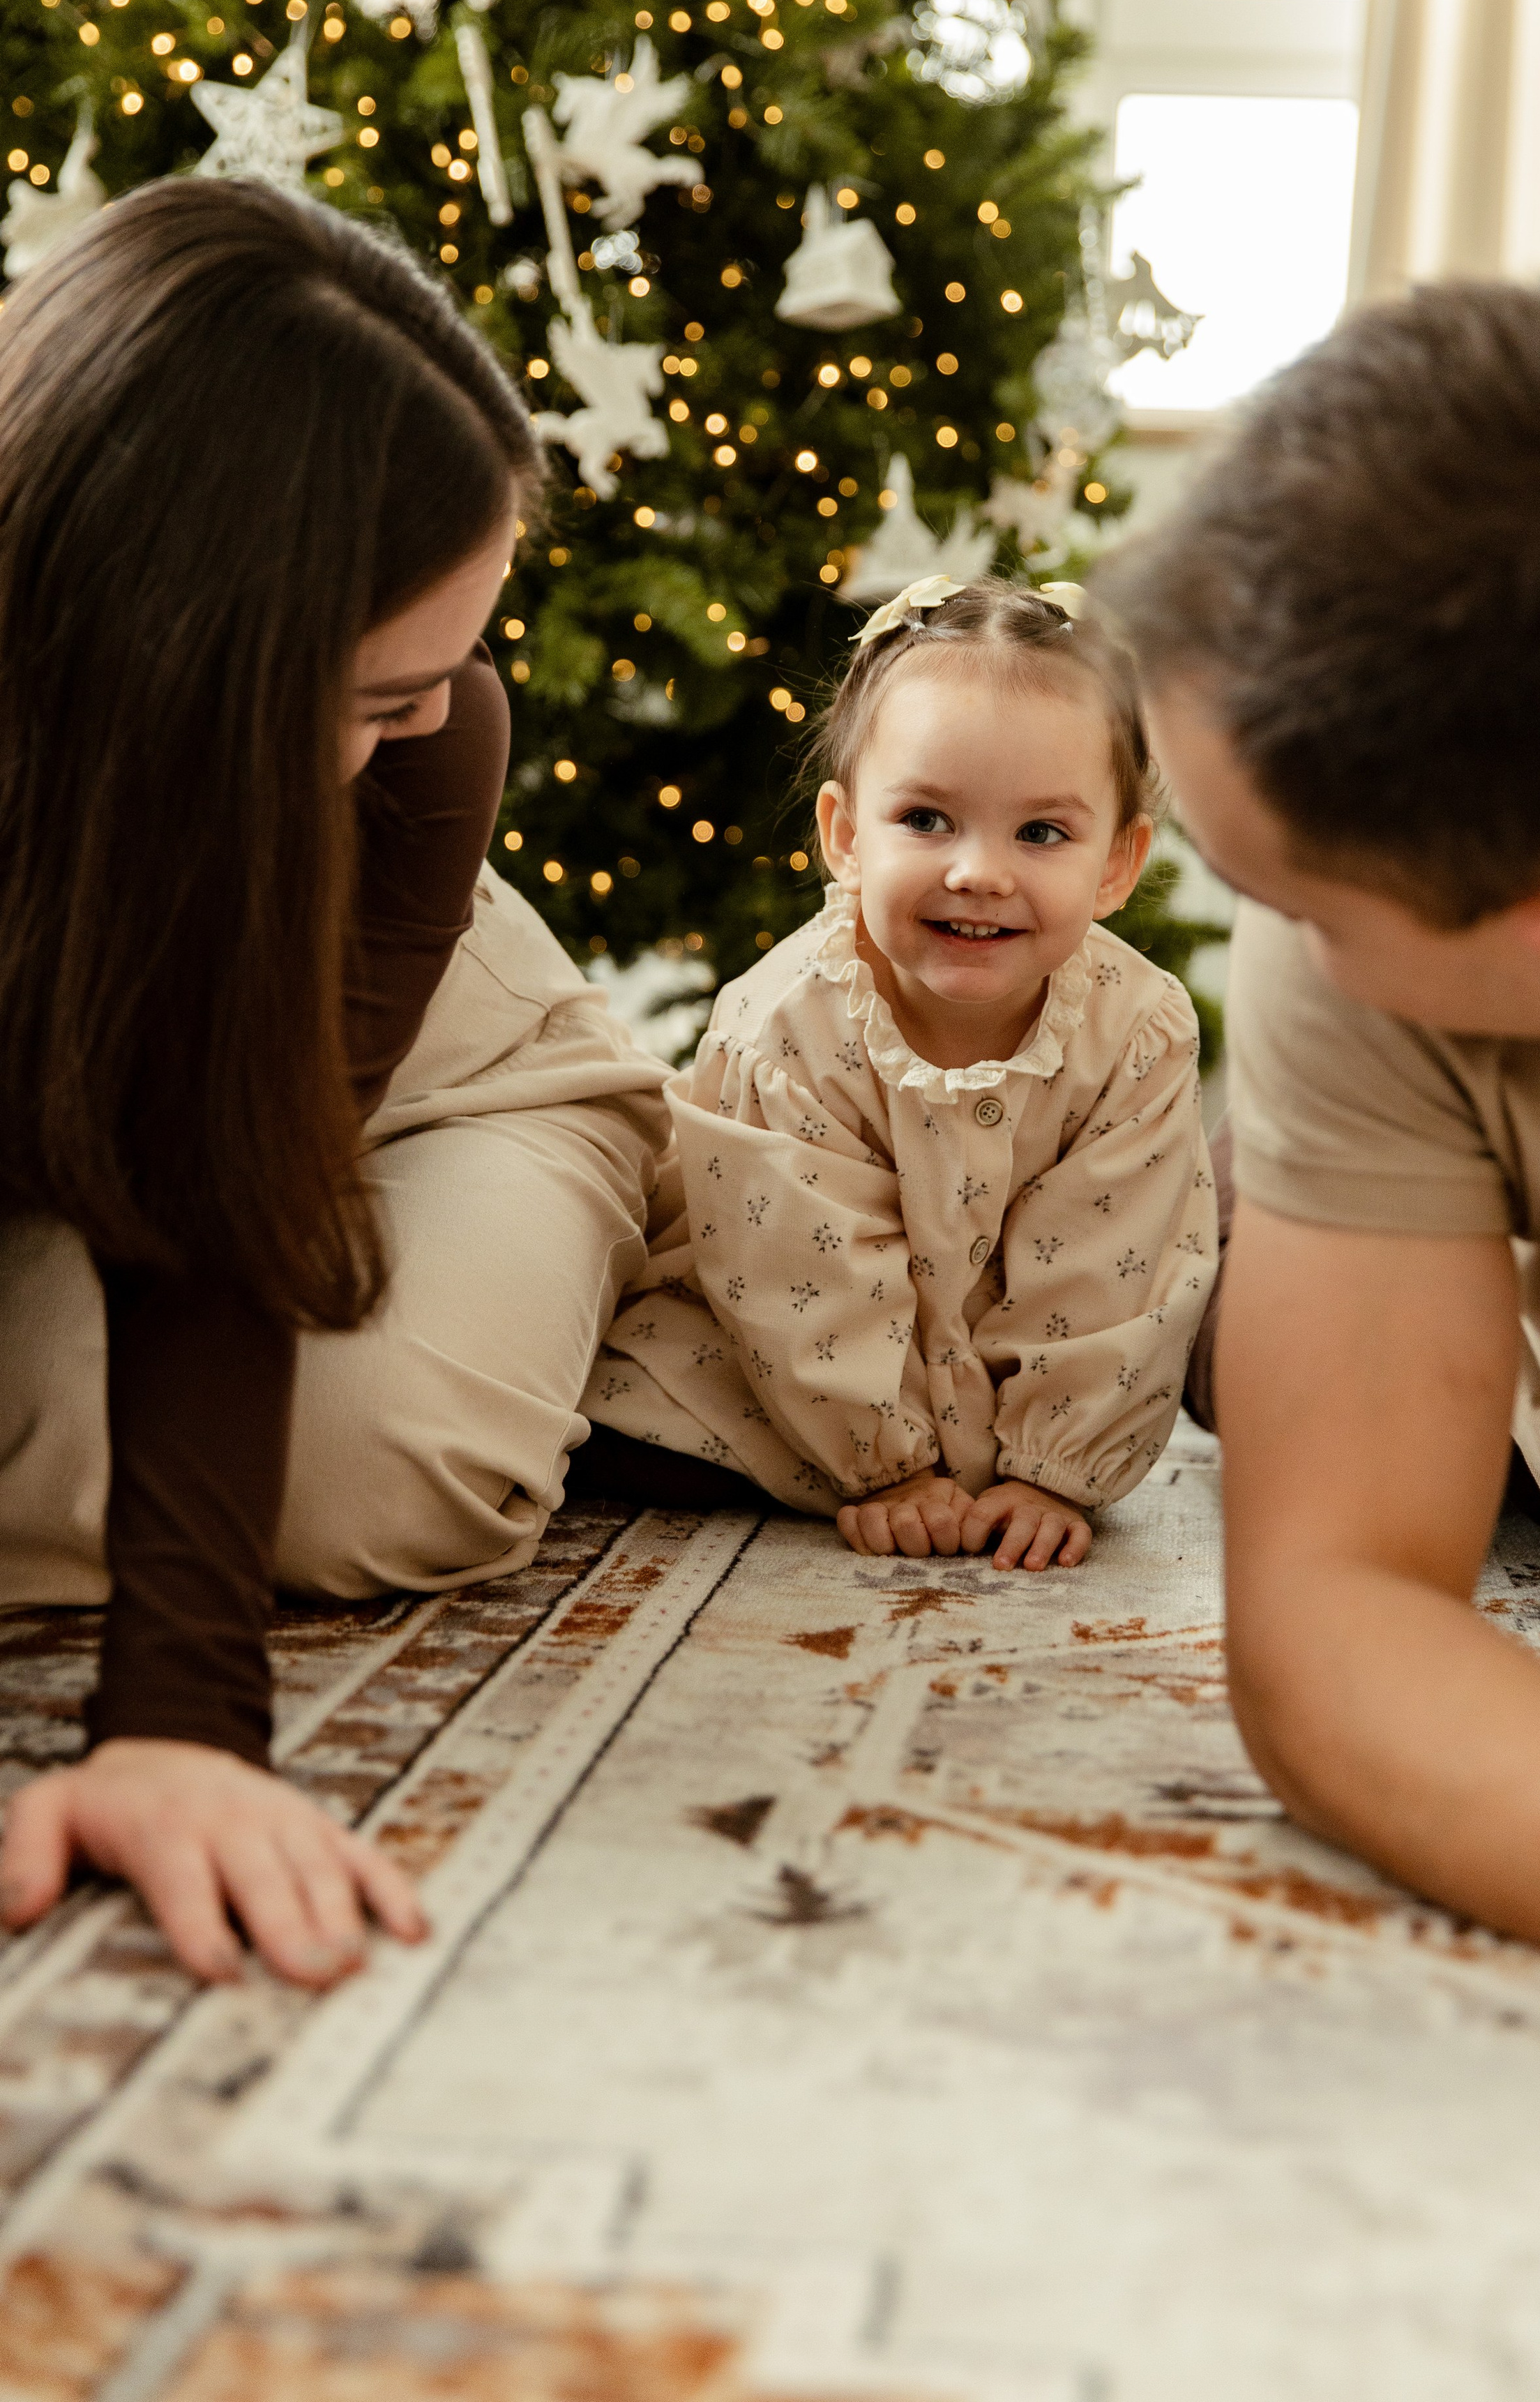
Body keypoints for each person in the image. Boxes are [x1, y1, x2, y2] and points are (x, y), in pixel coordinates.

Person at [0, 180, 670, 1990]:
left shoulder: (421, 756)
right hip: (74, 1067)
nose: (444, 724)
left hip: (431, 1078)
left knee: (380, 1468)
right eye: (382, 687)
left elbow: (220, 1183)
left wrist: (181, 1723)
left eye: (445, 674)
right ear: (177, 669)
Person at [1101, 276, 1540, 2026]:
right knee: (1231, 1360)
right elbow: (1327, 1614)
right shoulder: (1375, 930)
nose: (1264, 935)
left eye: (1285, 904)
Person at [578, 575, 1217, 1568]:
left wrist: (1052, 1468)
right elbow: (795, 1270)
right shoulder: (789, 1024)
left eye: (1041, 832)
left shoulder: (1135, 1031)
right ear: (845, 837)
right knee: (668, 1434)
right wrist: (883, 1466)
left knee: (1113, 1281)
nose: (978, 872)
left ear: (1116, 866)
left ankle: (992, 1450)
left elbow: (1116, 1259)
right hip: (780, 1352)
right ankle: (847, 1452)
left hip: (998, 1381)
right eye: (926, 820)